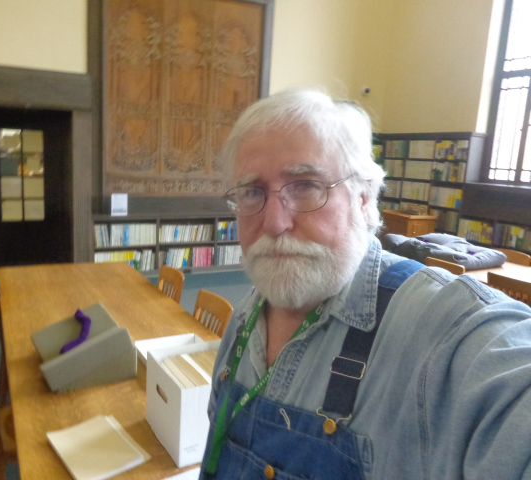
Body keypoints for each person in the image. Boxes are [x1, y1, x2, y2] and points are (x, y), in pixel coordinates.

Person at [199, 88, 531, 480]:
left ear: (363, 195)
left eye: (305, 186)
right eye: (252, 192)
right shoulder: (245, 317)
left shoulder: (444, 332)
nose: (273, 223)